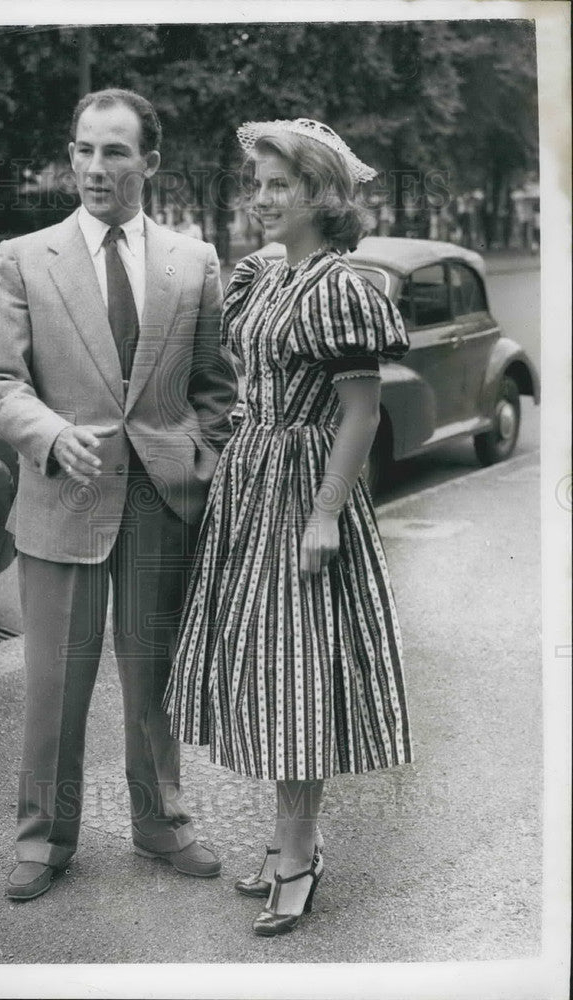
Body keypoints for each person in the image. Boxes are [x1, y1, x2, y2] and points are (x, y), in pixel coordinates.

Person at [0, 88, 238, 901]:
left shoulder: (192, 261)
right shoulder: (24, 257)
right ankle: (43, 838)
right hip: (64, 497)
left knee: (152, 678)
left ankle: (161, 824)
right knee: (56, 684)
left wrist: (198, 457)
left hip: (162, 501)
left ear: (149, 163)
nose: (94, 167)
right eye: (84, 149)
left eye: (114, 151)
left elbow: (215, 388)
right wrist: (49, 435)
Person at [164, 118, 413, 936]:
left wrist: (325, 513)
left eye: (280, 185)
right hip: (251, 486)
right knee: (266, 676)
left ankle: (300, 856)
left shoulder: (340, 287)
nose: (262, 198)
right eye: (258, 184)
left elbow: (362, 413)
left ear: (322, 194)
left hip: (303, 488)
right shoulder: (263, 280)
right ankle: (281, 843)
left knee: (296, 678)